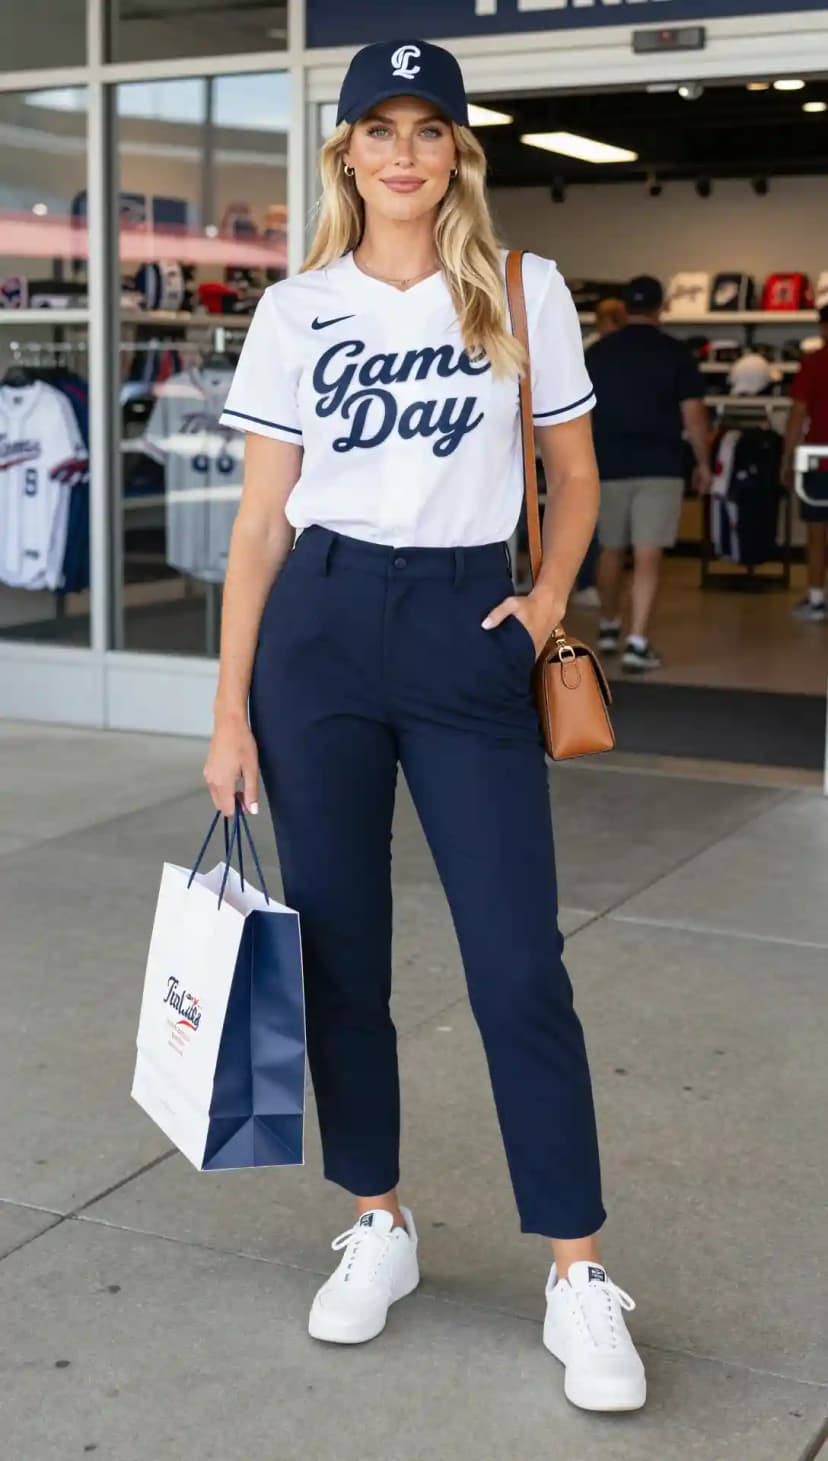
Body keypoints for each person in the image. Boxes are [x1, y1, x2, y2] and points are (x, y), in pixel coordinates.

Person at [205, 37, 646, 1413]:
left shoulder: (524, 292)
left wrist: (544, 603)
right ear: (345, 152)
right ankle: (378, 1220)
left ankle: (578, 1272)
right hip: (321, 637)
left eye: (429, 128)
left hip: (470, 634)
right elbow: (264, 521)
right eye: (378, 128)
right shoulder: (298, 311)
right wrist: (230, 711)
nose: (404, 151)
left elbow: (571, 479)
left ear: (457, 151)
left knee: (519, 961)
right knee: (342, 957)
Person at [588, 275, 711, 672]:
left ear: (624, 308)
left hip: (607, 465)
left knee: (610, 549)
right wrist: (705, 464)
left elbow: (580, 413)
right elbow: (693, 416)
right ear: (661, 308)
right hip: (660, 465)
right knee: (647, 555)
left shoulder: (599, 352)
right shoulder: (676, 353)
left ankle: (608, 626)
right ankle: (637, 642)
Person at [572, 297, 628, 606]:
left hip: (601, 442)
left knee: (597, 517)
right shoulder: (588, 351)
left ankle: (591, 582)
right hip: (591, 442)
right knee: (588, 515)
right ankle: (586, 582)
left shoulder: (600, 351)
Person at [782, 304, 828, 622]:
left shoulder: (813, 363)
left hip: (819, 459)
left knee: (816, 532)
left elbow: (797, 414)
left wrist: (787, 458)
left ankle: (815, 599)